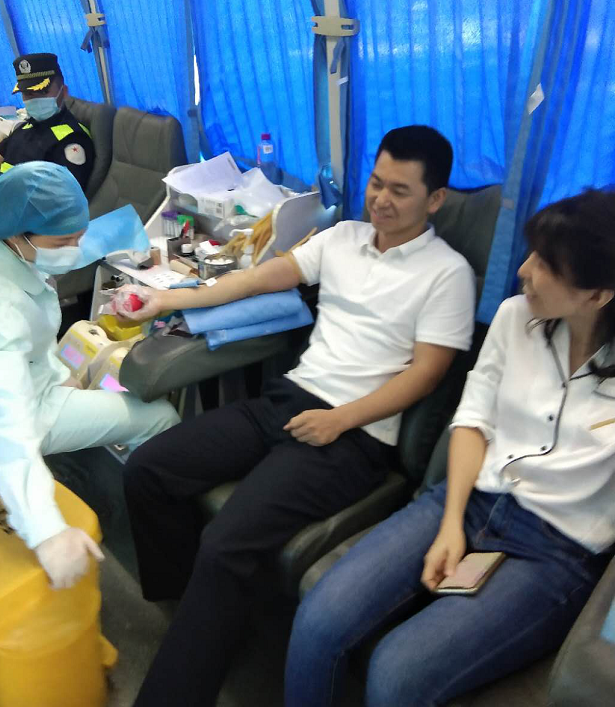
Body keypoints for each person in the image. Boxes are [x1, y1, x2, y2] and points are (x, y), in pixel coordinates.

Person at [121, 125, 477, 706]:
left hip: (355, 435)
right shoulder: (343, 237)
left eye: (400, 191)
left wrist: (341, 420)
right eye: (376, 182)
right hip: (289, 399)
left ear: (435, 199)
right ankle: (196, 610)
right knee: (149, 469)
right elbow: (257, 278)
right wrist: (170, 299)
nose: (381, 199)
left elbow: (426, 375)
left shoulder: (448, 273)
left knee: (227, 543)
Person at [284, 188, 615, 707]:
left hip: (556, 550)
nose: (523, 270)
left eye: (545, 265)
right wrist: (451, 522)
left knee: (397, 674)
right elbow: (473, 419)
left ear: (598, 295)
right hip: (473, 497)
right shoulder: (515, 317)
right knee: (319, 616)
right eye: (530, 253)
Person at [0, 162, 178, 590]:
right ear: (18, 236)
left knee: (81, 369)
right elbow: (4, 424)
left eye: (78, 235)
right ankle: (159, 545)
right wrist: (45, 531)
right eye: (64, 242)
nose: (74, 248)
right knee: (162, 418)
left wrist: (57, 371)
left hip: (27, 372)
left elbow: (68, 244)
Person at [0, 53, 96, 190]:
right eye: (28, 94)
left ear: (63, 92)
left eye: (43, 92)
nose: (34, 99)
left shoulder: (72, 139)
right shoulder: (25, 128)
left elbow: (63, 196)